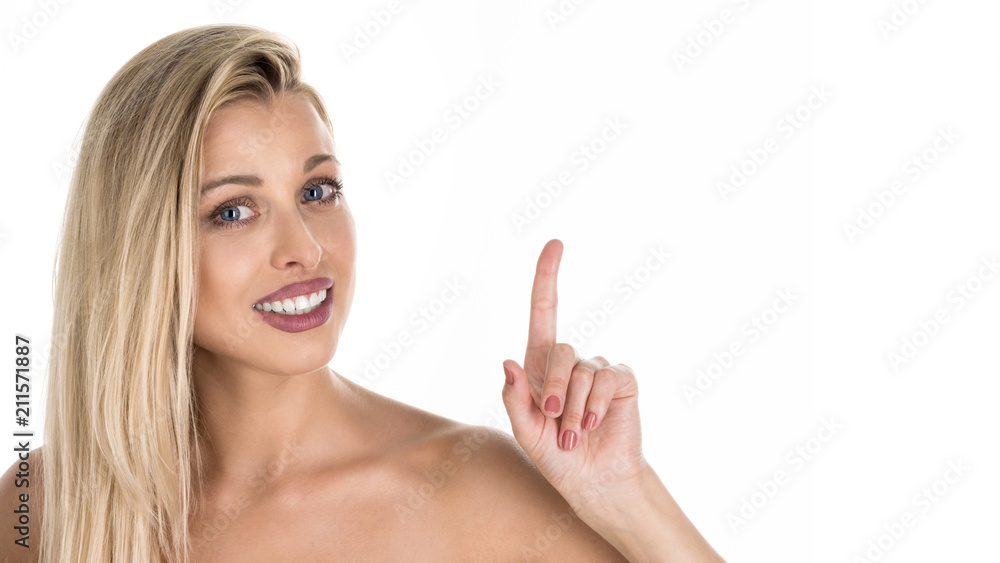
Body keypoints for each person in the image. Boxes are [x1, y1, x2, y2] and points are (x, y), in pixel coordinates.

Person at [0, 24, 725, 562]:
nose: (306, 249)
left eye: (317, 190)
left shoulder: (469, 491)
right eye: (233, 210)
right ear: (139, 252)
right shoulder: (46, 504)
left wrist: (624, 495)